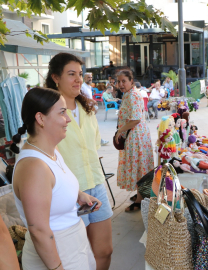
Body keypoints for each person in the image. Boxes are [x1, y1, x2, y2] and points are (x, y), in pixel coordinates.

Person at [11, 87, 100, 270]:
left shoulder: (51, 151)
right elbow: (39, 231)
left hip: (73, 245)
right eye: (62, 113)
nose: (67, 119)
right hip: (56, 253)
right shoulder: (34, 167)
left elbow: (56, 184)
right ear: (40, 118)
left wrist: (79, 194)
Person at [45, 53, 113, 270]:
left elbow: (93, 146)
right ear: (56, 77)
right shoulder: (47, 112)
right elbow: (43, 154)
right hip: (69, 193)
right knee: (78, 256)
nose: (78, 79)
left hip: (96, 185)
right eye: (71, 74)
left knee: (104, 251)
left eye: (80, 74)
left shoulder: (87, 108)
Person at [115, 70, 154, 212]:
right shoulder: (128, 95)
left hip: (136, 136)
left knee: (138, 166)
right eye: (118, 81)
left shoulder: (133, 95)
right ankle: (140, 194)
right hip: (135, 135)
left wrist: (120, 131)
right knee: (138, 165)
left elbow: (136, 119)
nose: (120, 84)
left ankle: (140, 199)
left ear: (131, 81)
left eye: (123, 81)